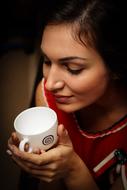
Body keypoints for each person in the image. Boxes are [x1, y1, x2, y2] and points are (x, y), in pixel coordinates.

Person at [8, 0, 127, 189]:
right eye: (47, 61)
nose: (51, 82)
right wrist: (42, 166)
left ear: (117, 67)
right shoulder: (47, 95)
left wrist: (72, 169)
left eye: (73, 68)